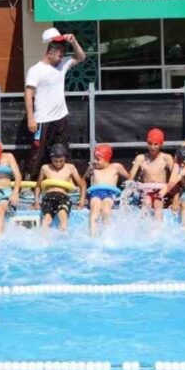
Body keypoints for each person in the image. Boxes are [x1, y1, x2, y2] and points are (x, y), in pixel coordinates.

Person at [25, 28, 86, 178]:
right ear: (50, 53)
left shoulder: (62, 64)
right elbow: (28, 94)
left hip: (60, 117)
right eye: (59, 55)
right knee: (37, 153)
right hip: (41, 119)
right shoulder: (36, 70)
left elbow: (81, 57)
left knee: (62, 150)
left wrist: (73, 41)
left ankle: (66, 181)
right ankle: (29, 184)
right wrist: (30, 118)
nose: (61, 58)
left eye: (62, 55)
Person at [128, 127, 178, 221]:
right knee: (146, 203)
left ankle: (158, 232)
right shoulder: (140, 158)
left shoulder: (166, 158)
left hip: (162, 191)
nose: (152, 147)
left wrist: (175, 199)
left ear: (161, 144)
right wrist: (128, 192)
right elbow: (131, 177)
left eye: (156, 144)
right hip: (146, 191)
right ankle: (145, 231)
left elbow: (175, 178)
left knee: (157, 204)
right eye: (150, 144)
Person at [36, 143, 86, 233]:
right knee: (46, 219)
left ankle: (63, 239)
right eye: (55, 161)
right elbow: (38, 187)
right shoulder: (45, 168)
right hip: (48, 196)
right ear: (51, 159)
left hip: (63, 196)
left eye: (61, 161)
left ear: (65, 158)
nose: (58, 164)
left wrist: (81, 202)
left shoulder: (70, 168)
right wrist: (36, 202)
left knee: (62, 215)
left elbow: (82, 186)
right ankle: (43, 241)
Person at [86, 144, 130, 236]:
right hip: (95, 192)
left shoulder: (116, 167)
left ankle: (106, 234)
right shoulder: (93, 167)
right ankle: (93, 235)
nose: (95, 161)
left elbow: (129, 178)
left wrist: (126, 192)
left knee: (105, 208)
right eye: (94, 158)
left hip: (109, 193)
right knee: (95, 207)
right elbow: (83, 180)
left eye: (98, 159)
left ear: (106, 159)